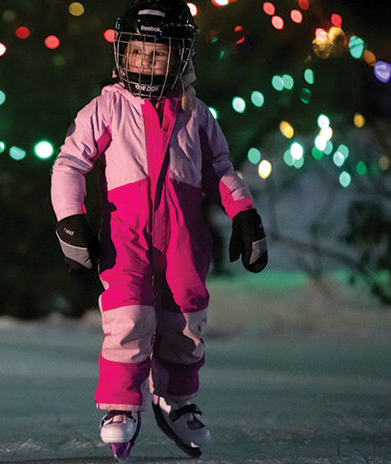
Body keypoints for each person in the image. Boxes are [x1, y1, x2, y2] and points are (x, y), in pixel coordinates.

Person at [50, 0, 268, 460]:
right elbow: (70, 162)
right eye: (137, 52)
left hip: (184, 239)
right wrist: (71, 220)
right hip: (125, 236)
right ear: (122, 54)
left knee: (185, 322)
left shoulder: (197, 113)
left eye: (158, 52)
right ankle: (120, 405)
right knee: (129, 320)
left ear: (181, 56)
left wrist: (244, 214)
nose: (146, 62)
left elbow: (220, 169)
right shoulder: (108, 105)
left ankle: (176, 398)